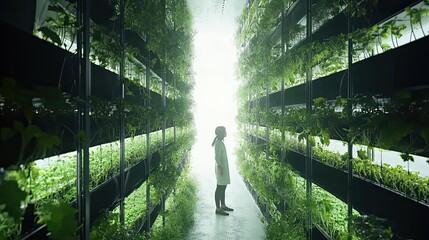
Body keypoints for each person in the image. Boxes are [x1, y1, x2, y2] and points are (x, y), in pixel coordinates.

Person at [212, 126, 234, 216]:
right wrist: (221, 168)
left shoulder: (220, 142)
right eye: (225, 131)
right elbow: (217, 158)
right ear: (221, 133)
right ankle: (218, 209)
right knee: (219, 187)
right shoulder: (218, 144)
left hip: (223, 168)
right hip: (221, 168)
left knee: (223, 186)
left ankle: (223, 205)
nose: (226, 132)